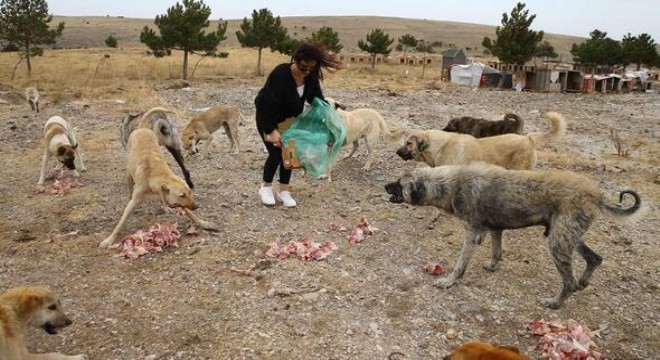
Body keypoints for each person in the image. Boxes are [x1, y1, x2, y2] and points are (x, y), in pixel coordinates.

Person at [254, 43, 342, 207]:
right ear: (297, 59)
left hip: (290, 121)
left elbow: (317, 101)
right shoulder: (281, 73)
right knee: (275, 153)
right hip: (268, 117)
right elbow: (264, 103)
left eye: (311, 67)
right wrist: (270, 130)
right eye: (304, 67)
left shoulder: (310, 77)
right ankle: (265, 187)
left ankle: (283, 191)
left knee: (289, 154)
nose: (307, 70)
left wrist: (330, 123)